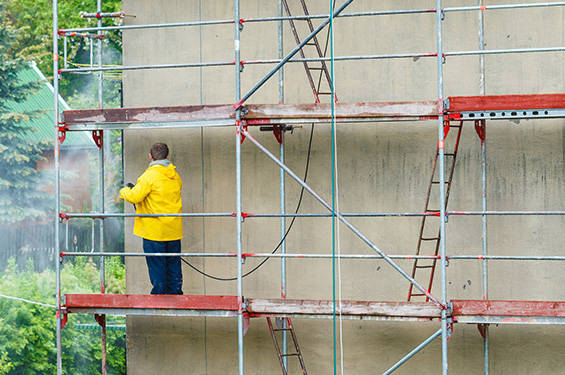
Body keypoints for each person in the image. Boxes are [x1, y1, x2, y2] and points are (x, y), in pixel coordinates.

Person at [119, 143, 183, 295]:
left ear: (150, 156)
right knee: (173, 263)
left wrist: (124, 190)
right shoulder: (175, 176)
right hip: (173, 229)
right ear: (167, 157)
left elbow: (135, 196)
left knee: (157, 264)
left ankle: (159, 295)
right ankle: (176, 292)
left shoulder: (149, 176)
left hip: (154, 230)